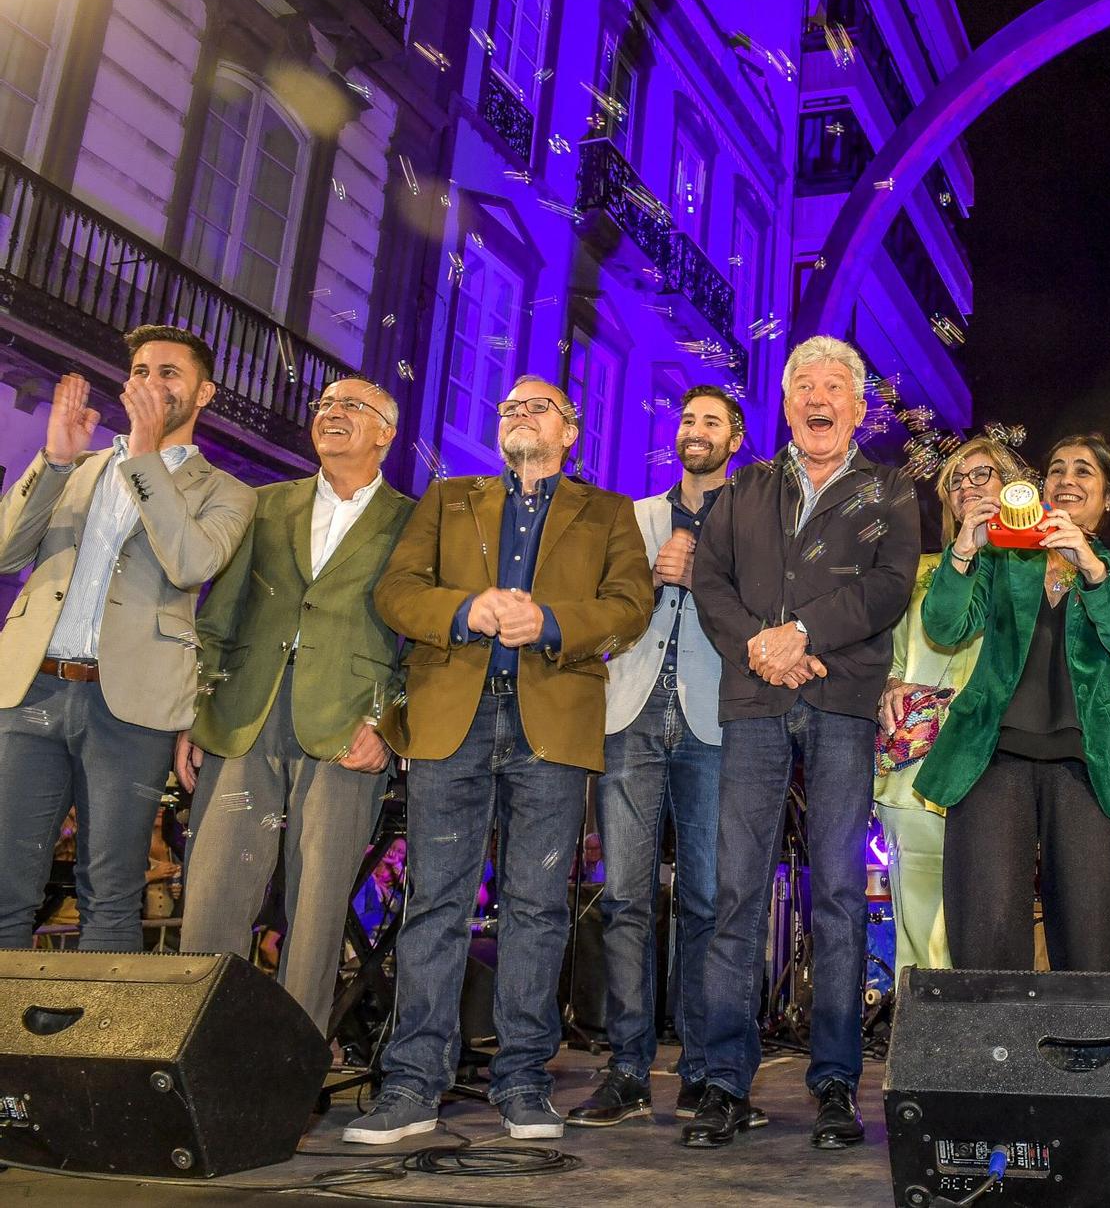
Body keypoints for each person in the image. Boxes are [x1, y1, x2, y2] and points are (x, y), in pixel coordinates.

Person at [343, 375, 650, 1145]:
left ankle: (522, 1082)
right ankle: (413, 1084)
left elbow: (629, 608)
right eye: (507, 406)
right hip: (453, 718)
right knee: (435, 902)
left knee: (537, 908)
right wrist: (463, 610)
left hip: (552, 725)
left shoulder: (608, 512)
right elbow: (396, 593)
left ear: (569, 430)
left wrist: (549, 622)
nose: (516, 413)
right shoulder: (446, 499)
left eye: (535, 406)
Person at [686, 336, 919, 1150]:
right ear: (787, 405)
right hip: (754, 697)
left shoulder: (889, 490)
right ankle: (721, 1082)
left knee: (841, 896)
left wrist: (802, 634)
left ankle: (832, 1085)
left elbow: (890, 587)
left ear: (859, 407)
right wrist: (757, 644)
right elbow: (709, 580)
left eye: (835, 386)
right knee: (738, 893)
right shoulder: (744, 487)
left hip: (841, 698)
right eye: (803, 386)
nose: (818, 398)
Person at [0, 326, 253, 950]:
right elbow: (7, 555)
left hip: (131, 708)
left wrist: (143, 457)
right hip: (31, 689)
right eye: (140, 371)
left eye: (169, 373)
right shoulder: (77, 468)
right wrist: (54, 461)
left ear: (204, 394)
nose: (150, 383)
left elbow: (190, 563)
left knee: (109, 897)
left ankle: (92, 1045)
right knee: (4, 889)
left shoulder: (227, 492)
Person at [176, 378, 414, 1036]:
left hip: (348, 728)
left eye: (351, 408)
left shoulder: (416, 521)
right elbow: (217, 618)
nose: (331, 414)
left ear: (384, 434)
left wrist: (391, 727)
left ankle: (292, 1065)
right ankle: (194, 1057)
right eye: (325, 406)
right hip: (246, 718)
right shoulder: (262, 504)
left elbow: (425, 643)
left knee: (315, 911)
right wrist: (198, 713)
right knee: (215, 897)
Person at [916, 432, 1110, 973]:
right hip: (992, 754)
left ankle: (1094, 1051)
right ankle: (990, 1053)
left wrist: (1090, 566)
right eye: (1056, 470)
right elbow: (944, 626)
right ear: (1039, 487)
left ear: (1109, 497)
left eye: (1084, 472)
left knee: (1095, 930)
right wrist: (963, 548)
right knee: (987, 925)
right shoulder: (1004, 559)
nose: (1067, 480)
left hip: (1088, 763)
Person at [568, 385, 745, 1130]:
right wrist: (653, 575)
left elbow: (764, 608)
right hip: (632, 712)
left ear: (735, 440)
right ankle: (628, 1068)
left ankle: (704, 1070)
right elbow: (606, 604)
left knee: (707, 898)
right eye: (687, 419)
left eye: (712, 421)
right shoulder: (632, 516)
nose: (695, 429)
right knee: (625, 898)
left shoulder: (752, 519)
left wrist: (700, 572)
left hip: (713, 720)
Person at [875, 435, 1030, 978]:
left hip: (999, 763)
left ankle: (986, 1041)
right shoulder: (919, 571)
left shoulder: (1038, 570)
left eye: (981, 475)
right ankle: (922, 1042)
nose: (966, 486)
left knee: (991, 911)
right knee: (917, 911)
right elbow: (887, 651)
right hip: (916, 762)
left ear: (1014, 488)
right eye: (955, 482)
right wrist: (888, 685)